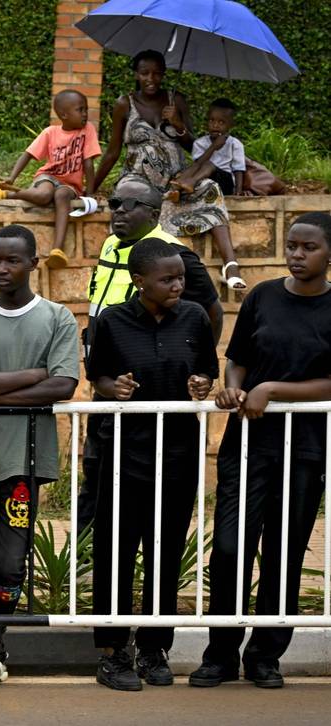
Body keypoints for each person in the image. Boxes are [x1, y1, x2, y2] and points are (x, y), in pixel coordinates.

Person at [190, 212, 331, 690]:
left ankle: (265, 657)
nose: (296, 255)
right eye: (291, 246)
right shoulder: (263, 296)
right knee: (229, 549)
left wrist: (272, 389)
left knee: (283, 554)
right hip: (247, 445)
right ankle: (220, 655)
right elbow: (237, 359)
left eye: (308, 247)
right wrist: (234, 387)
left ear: (329, 254)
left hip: (305, 450)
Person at [0, 225, 80, 689]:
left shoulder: (57, 318)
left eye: (12, 260)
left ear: (32, 264)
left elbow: (63, 385)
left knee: (9, 559)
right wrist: (33, 375)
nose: (1, 269)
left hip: (24, 458)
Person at [86, 239, 218, 691]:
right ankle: (112, 653)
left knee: (166, 552)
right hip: (124, 456)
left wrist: (201, 383)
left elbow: (206, 370)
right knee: (116, 553)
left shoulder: (195, 317)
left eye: (180, 277)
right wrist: (114, 388)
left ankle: (154, 649)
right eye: (167, 279)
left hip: (178, 455)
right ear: (139, 281)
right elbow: (98, 378)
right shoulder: (112, 321)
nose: (178, 285)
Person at [75, 175, 223, 532]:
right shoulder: (112, 244)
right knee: (96, 471)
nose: (118, 211)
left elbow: (212, 312)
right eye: (114, 203)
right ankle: (90, 554)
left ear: (155, 214)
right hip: (109, 385)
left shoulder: (173, 255)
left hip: (154, 397)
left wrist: (191, 365)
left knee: (149, 494)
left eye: (130, 205)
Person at [88, 49, 240, 292]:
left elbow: (195, 148)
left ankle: (231, 265)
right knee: (131, 206)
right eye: (145, 73)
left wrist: (178, 124)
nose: (151, 79)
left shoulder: (175, 100)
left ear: (163, 74)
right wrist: (89, 190)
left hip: (176, 182)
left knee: (210, 188)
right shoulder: (124, 104)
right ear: (136, 74)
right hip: (138, 182)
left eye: (157, 73)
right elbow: (113, 152)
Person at [0, 90, 101, 270]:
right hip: (48, 176)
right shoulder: (50, 132)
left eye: (86, 109)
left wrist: (90, 194)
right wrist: (12, 177)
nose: (85, 114)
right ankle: (4, 193)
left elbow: (88, 164)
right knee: (44, 195)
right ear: (64, 115)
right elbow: (28, 154)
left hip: (69, 185)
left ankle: (57, 250)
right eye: (80, 110)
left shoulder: (87, 130)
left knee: (61, 196)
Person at [175, 98, 248, 288]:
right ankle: (185, 185)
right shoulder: (200, 143)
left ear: (230, 125)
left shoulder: (235, 144)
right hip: (204, 181)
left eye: (221, 122)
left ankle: (186, 184)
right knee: (206, 164)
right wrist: (213, 147)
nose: (215, 125)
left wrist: (238, 192)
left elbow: (238, 170)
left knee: (211, 165)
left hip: (225, 183)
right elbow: (198, 164)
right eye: (212, 121)